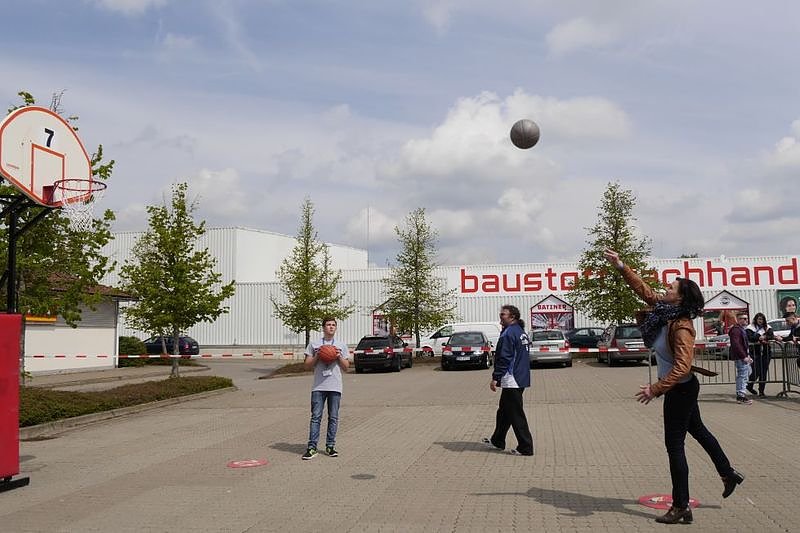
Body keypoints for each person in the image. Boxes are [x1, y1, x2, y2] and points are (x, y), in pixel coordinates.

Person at [604, 249, 744, 525]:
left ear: (679, 297)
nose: (664, 289)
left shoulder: (682, 327)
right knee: (700, 432)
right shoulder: (665, 312)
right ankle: (728, 473)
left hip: (680, 389)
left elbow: (682, 366)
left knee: (674, 447)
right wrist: (621, 266)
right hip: (682, 388)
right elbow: (644, 291)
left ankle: (681, 506)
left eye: (670, 287)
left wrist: (655, 389)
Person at [483, 304, 534, 456]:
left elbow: (504, 358)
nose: (500, 318)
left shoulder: (508, 334)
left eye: (503, 315)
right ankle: (498, 440)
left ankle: (525, 447)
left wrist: (495, 377)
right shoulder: (520, 332)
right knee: (504, 411)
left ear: (512, 316)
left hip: (512, 379)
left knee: (515, 414)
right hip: (520, 377)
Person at [302, 317, 350, 460]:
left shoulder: (341, 345)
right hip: (318, 386)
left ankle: (330, 446)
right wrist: (318, 355)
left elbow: (347, 367)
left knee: (333, 417)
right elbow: (306, 365)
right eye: (328, 325)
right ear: (323, 327)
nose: (331, 327)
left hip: (335, 386)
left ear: (336, 328)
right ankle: (312, 447)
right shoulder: (314, 344)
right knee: (316, 417)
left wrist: (337, 356)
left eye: (333, 325)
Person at [727, 311, 753, 404]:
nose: (746, 320)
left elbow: (743, 344)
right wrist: (743, 356)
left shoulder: (740, 329)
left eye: (746, 318)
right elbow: (736, 344)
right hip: (740, 357)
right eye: (743, 318)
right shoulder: (736, 330)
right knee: (743, 375)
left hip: (743, 355)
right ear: (738, 319)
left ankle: (740, 393)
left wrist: (747, 355)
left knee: (747, 373)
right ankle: (741, 395)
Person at [745, 313, 774, 397]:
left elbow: (771, 336)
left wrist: (764, 337)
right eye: (759, 319)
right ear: (756, 319)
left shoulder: (768, 327)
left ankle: (761, 391)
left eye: (762, 319)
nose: (760, 321)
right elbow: (750, 337)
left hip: (766, 352)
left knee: (763, 372)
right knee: (756, 370)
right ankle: (749, 385)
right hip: (755, 352)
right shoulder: (750, 328)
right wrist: (758, 337)